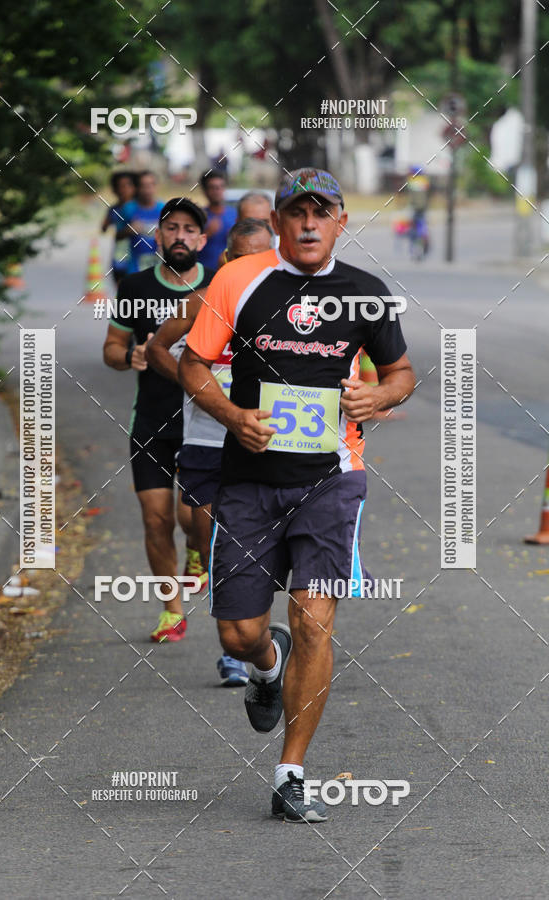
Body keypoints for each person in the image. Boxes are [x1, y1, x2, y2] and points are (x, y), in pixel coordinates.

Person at [179, 168, 416, 822]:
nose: (310, 223)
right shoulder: (238, 280)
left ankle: (291, 773)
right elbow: (193, 363)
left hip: (331, 478)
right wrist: (231, 416)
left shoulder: (366, 293)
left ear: (342, 221)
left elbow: (401, 372)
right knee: (238, 632)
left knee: (316, 619)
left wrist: (382, 394)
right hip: (251, 479)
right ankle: (263, 664)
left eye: (323, 212)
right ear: (278, 221)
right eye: (297, 212)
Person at [146, 218, 275, 684]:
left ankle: (240, 647)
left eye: (258, 260)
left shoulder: (284, 308)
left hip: (259, 442)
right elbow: (160, 347)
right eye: (240, 259)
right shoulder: (201, 302)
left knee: (245, 545)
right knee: (208, 541)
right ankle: (246, 633)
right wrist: (191, 383)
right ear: (225, 259)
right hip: (204, 442)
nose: (248, 269)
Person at [103, 198, 214, 643]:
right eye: (172, 228)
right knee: (155, 519)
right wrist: (128, 355)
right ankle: (172, 610)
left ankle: (196, 553)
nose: (181, 236)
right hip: (150, 422)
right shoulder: (133, 287)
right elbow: (110, 349)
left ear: (202, 239)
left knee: (193, 519)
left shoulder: (218, 289)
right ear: (159, 236)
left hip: (203, 423)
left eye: (190, 229)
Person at [101, 172, 137, 285]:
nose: (124, 189)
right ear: (115, 190)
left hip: (138, 258)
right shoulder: (114, 209)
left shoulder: (139, 207)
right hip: (120, 258)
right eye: (121, 186)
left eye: (128, 185)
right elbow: (104, 228)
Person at [197, 170, 236, 272]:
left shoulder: (235, 214)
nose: (217, 191)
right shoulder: (198, 216)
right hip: (203, 274)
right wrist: (207, 233)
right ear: (204, 191)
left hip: (229, 274)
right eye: (213, 188)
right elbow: (188, 248)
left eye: (220, 187)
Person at [127, 171, 164, 273]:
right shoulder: (129, 208)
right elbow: (117, 236)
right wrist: (128, 230)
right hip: (135, 267)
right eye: (143, 186)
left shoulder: (163, 208)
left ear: (156, 186)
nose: (147, 190)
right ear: (137, 188)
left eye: (150, 185)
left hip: (158, 267)